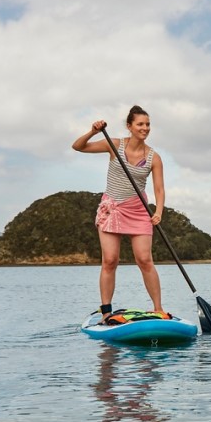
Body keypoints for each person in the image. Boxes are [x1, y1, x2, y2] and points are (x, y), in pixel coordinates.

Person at [72, 105, 165, 319]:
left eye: (148, 124)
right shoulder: (114, 145)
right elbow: (78, 147)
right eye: (140, 124)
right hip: (112, 209)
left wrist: (158, 211)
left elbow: (159, 189)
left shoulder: (154, 157)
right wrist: (93, 132)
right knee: (110, 260)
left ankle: (158, 308)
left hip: (139, 210)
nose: (145, 128)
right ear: (129, 126)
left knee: (144, 259)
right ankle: (106, 312)